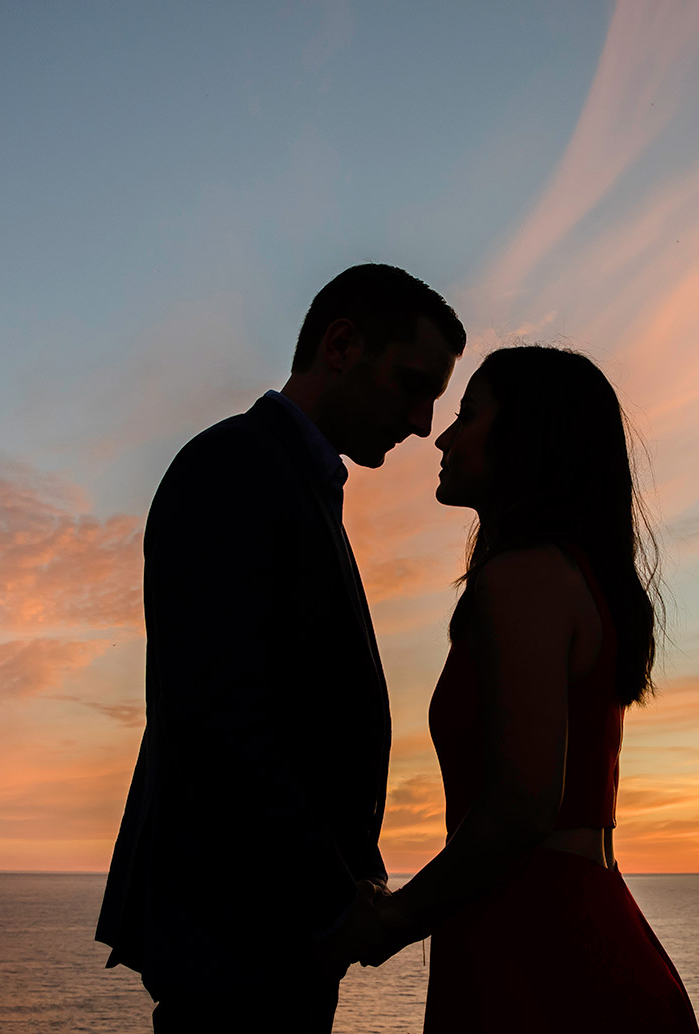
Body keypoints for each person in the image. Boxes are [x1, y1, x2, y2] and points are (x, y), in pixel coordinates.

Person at [96, 263, 465, 1033]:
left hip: (268, 933)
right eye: (413, 384)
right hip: (237, 934)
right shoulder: (233, 468)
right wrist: (334, 899)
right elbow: (220, 718)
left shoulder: (288, 481)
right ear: (340, 346)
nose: (424, 421)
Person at [362, 345, 699, 1031]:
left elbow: (521, 806)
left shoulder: (525, 577)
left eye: (468, 415)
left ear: (527, 435)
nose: (445, 436)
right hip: (575, 928)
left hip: (540, 952)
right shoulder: (576, 578)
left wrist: (394, 918)